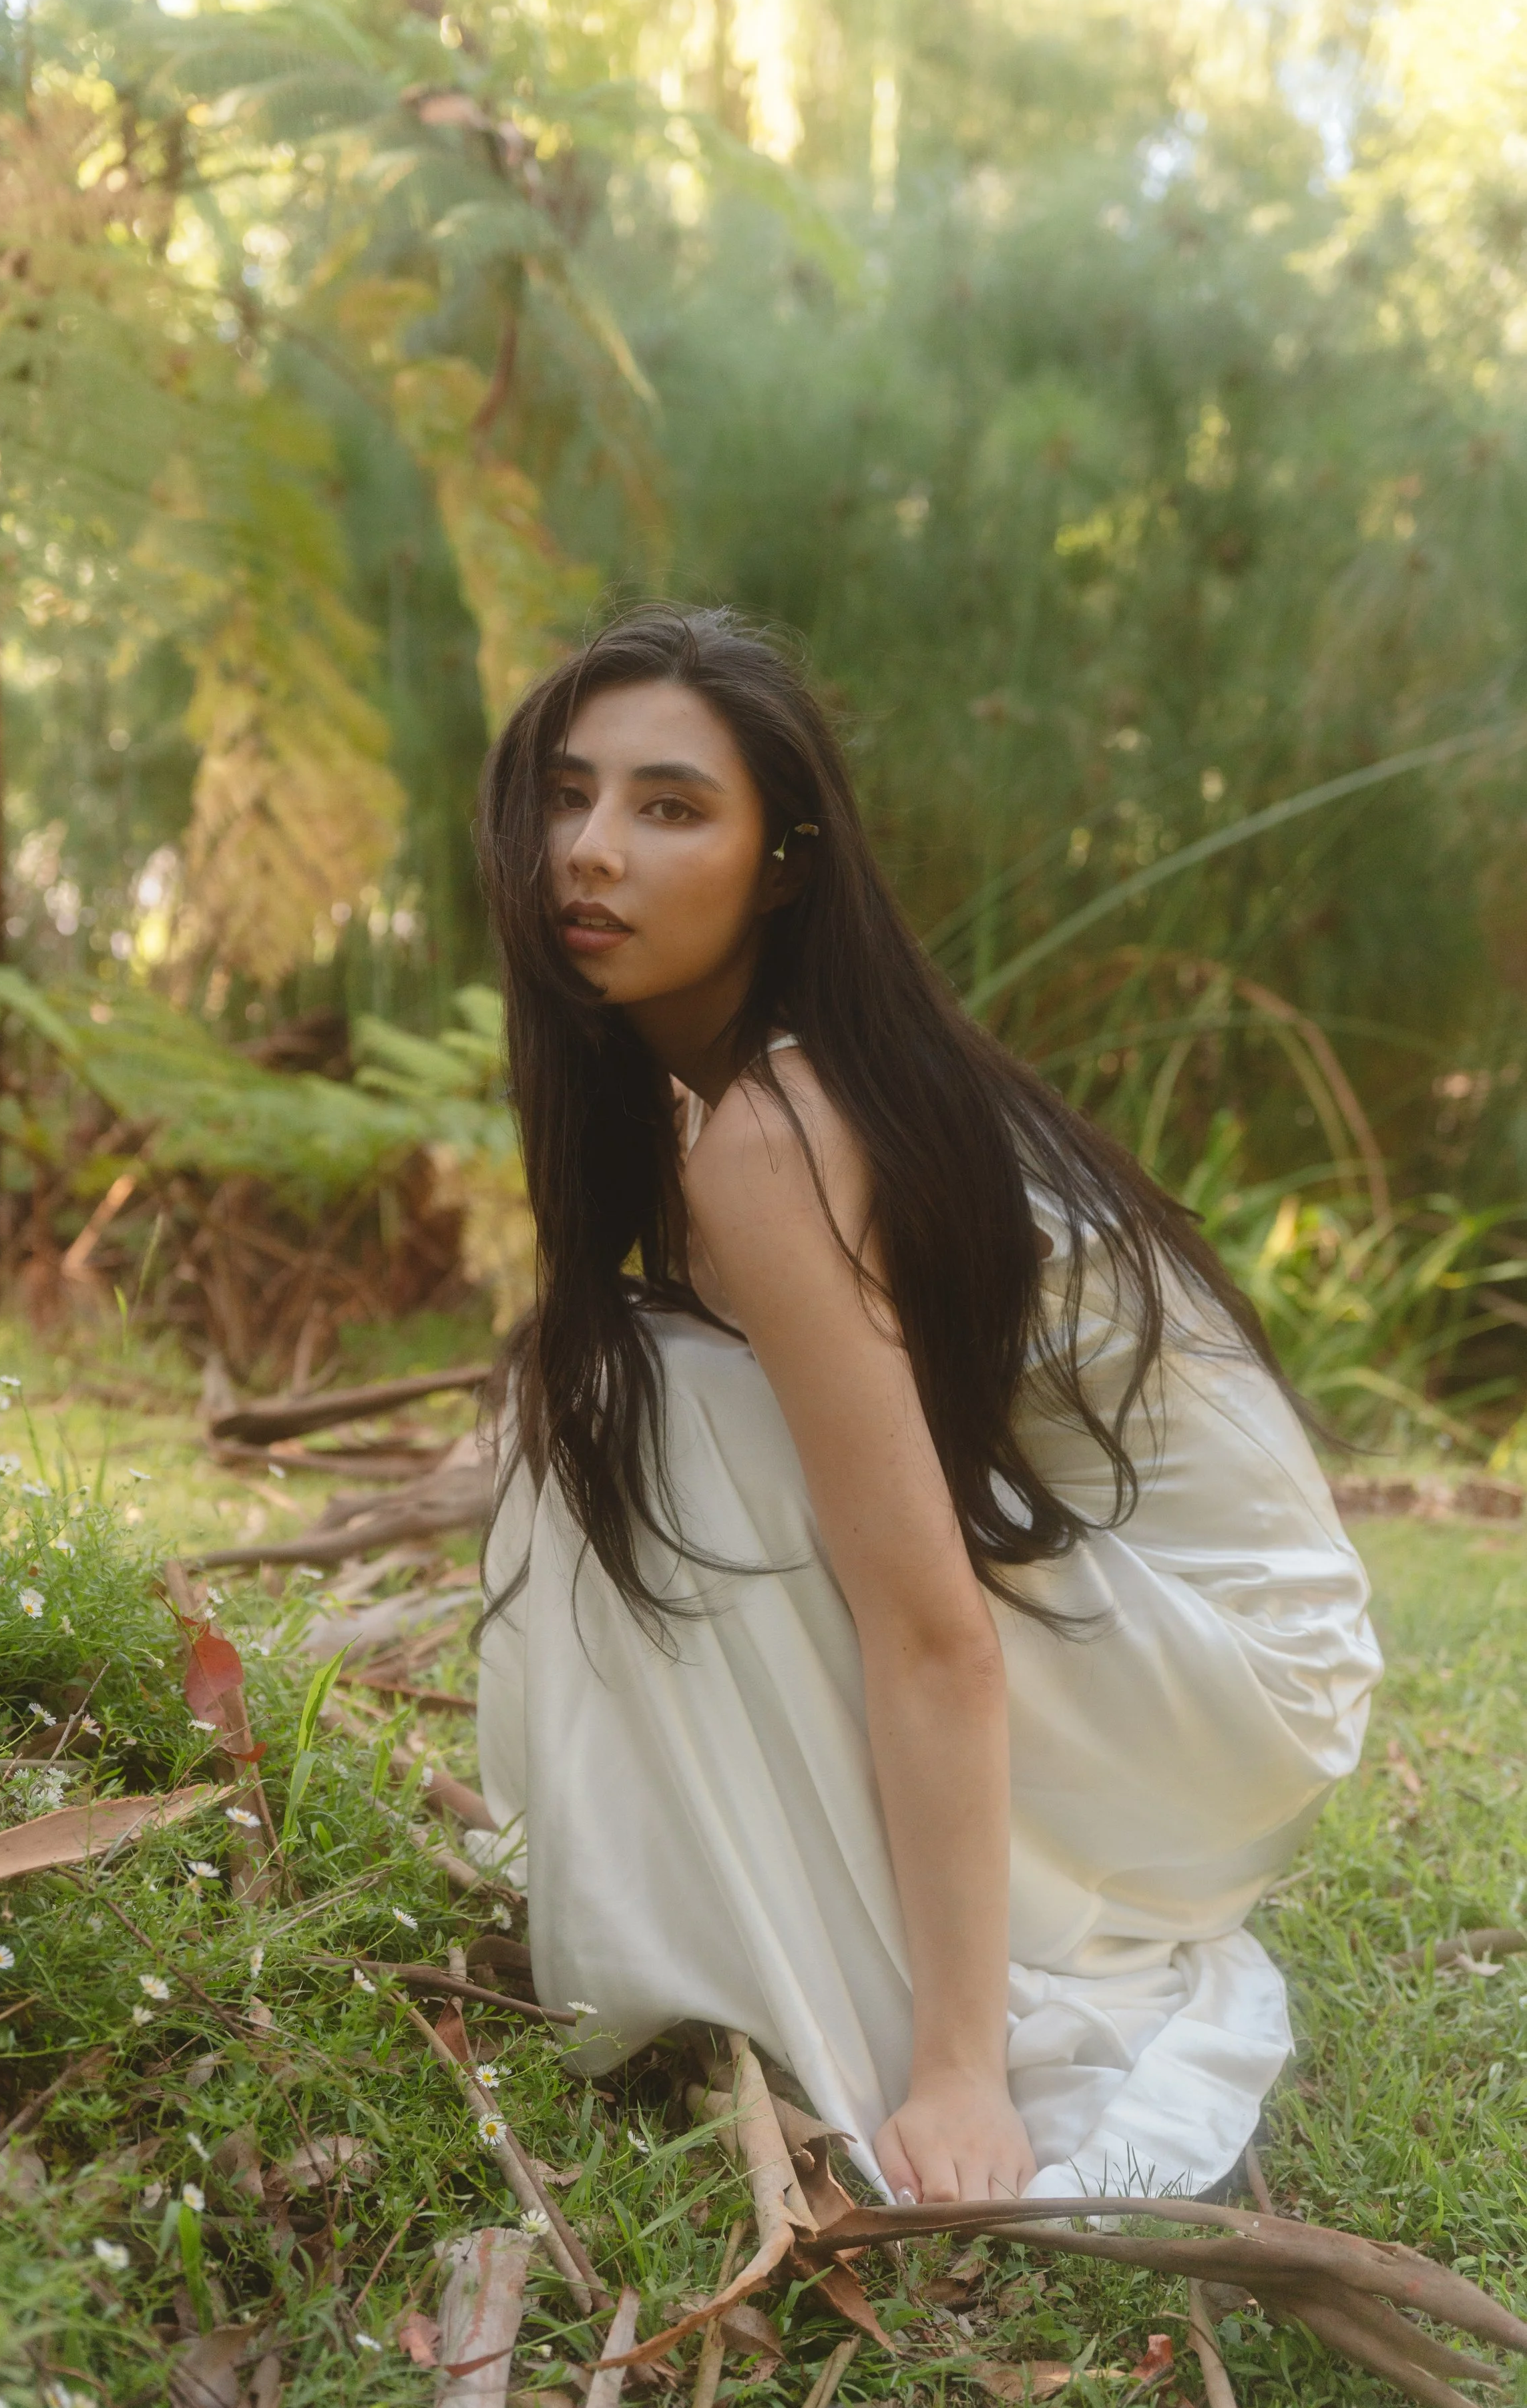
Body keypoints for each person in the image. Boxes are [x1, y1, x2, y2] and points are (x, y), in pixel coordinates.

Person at [473, 604, 1381, 2206]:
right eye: (567, 794)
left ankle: (872, 1988)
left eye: (669, 807)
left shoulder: (776, 1127)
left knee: (662, 1406)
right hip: (1191, 1631)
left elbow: (929, 1624)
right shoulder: (754, 1093)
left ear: (782, 865)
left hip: (1233, 1667)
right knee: (624, 1382)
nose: (590, 849)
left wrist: (960, 2068)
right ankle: (702, 1892)